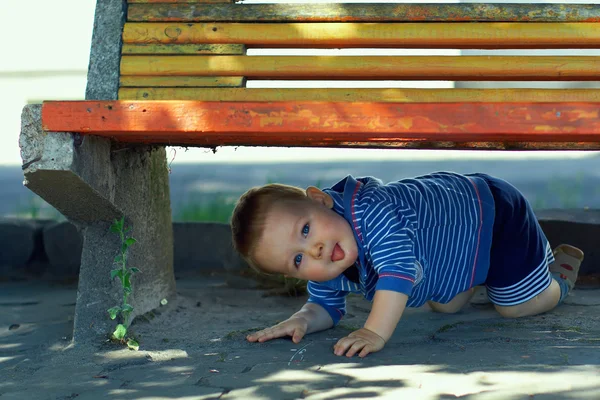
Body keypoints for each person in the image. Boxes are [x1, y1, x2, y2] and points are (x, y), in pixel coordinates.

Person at [230, 172, 584, 358]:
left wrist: (374, 331)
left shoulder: (373, 211)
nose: (316, 250)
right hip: (449, 246)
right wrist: (302, 320)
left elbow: (397, 273)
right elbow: (324, 305)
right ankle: (474, 275)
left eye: (306, 230)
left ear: (322, 201)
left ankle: (556, 274)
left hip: (491, 214)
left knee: (516, 307)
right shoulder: (329, 258)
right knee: (445, 305)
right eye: (297, 259)